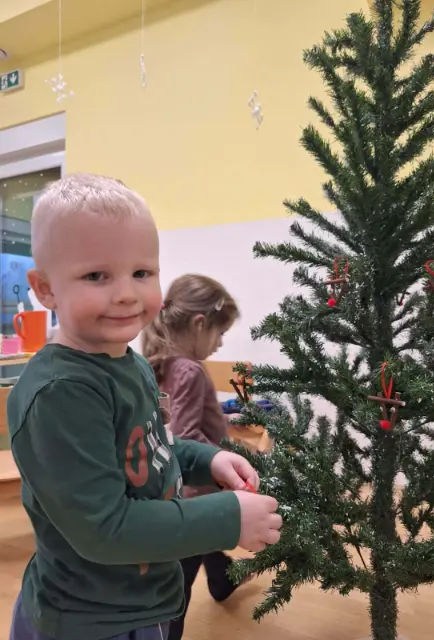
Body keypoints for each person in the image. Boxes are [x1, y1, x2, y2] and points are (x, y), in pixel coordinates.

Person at [7, 174, 282, 640]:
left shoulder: (128, 363)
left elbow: (152, 447)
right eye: (96, 276)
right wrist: (227, 519)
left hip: (144, 598)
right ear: (46, 289)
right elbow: (104, 528)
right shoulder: (61, 393)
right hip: (89, 620)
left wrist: (207, 459)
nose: (126, 293)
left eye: (141, 273)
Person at [143, 275, 249, 640]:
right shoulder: (189, 368)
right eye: (220, 333)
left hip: (172, 489)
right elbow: (185, 436)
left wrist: (223, 421)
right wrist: (230, 454)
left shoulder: (160, 362)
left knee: (200, 548)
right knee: (180, 583)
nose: (220, 344)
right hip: (194, 495)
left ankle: (222, 579)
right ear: (199, 323)